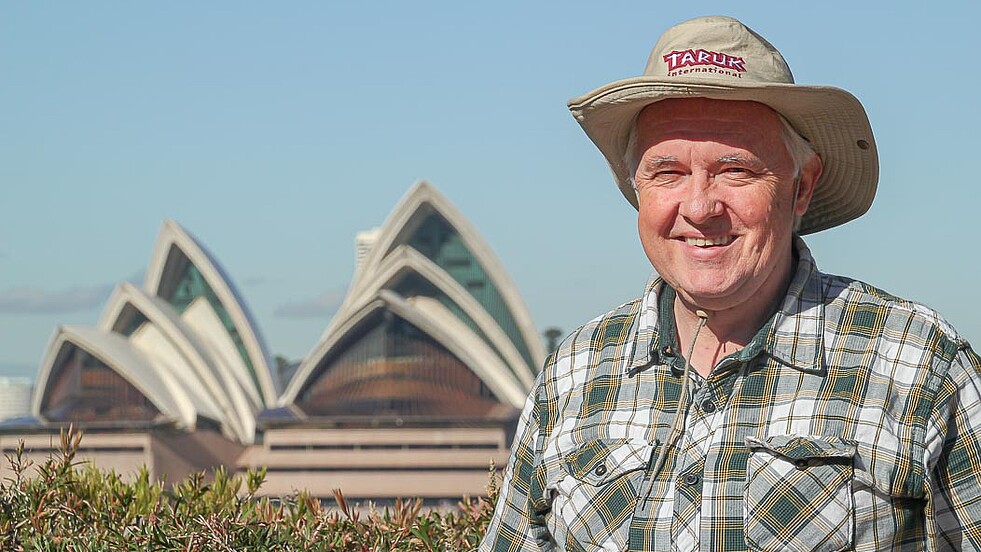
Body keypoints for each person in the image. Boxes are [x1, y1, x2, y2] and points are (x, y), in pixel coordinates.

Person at [480, 15, 981, 551]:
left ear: (801, 187)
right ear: (638, 189)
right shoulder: (575, 370)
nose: (699, 207)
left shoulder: (918, 360)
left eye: (735, 170)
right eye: (667, 173)